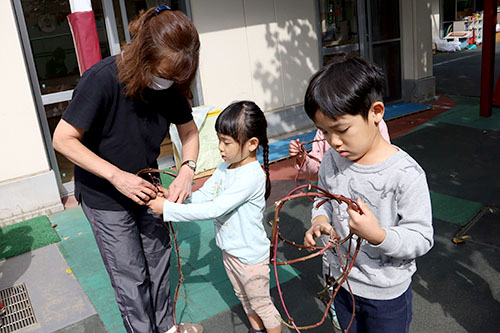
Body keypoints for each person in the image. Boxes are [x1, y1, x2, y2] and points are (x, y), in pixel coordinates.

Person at [52, 6, 202, 333]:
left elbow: (189, 132)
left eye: (175, 78)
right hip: (104, 195)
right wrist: (117, 176)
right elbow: (63, 140)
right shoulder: (102, 80)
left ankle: (166, 328)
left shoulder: (172, 85)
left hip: (148, 188)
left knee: (159, 264)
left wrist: (187, 170)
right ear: (143, 55)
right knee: (131, 276)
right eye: (162, 75)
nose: (166, 83)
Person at [302, 56, 434, 332]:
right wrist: (318, 220)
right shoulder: (332, 160)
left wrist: (379, 235)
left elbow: (421, 237)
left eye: (341, 130)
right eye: (325, 132)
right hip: (342, 283)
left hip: (387, 294)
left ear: (376, 112)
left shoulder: (405, 174)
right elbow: (323, 199)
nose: (333, 142)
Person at [148, 101, 283, 333]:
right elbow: (203, 197)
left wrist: (168, 211)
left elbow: (215, 209)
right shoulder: (225, 168)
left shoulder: (250, 176)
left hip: (250, 258)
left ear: (252, 144)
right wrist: (172, 198)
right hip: (230, 252)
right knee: (245, 300)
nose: (220, 147)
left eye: (226, 142)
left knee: (262, 305)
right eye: (219, 139)